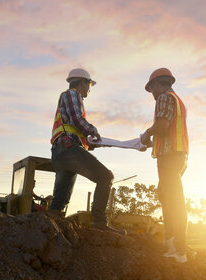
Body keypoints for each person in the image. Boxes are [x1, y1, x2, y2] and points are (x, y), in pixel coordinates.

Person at [49, 68, 125, 235]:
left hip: (61, 152)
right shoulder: (73, 94)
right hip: (68, 150)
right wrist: (93, 130)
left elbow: (74, 129)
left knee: (60, 200)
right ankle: (100, 223)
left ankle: (48, 230)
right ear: (83, 82)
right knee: (106, 177)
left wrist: (96, 142)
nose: (90, 88)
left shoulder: (68, 98)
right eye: (89, 84)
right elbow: (77, 120)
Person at [140, 68, 189, 263]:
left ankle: (178, 250)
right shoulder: (177, 100)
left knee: (173, 201)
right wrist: (151, 142)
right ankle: (173, 245)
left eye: (151, 87)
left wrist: (146, 133)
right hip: (177, 155)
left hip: (170, 157)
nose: (151, 93)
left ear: (157, 84)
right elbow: (169, 131)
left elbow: (161, 126)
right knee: (167, 196)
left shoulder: (164, 98)